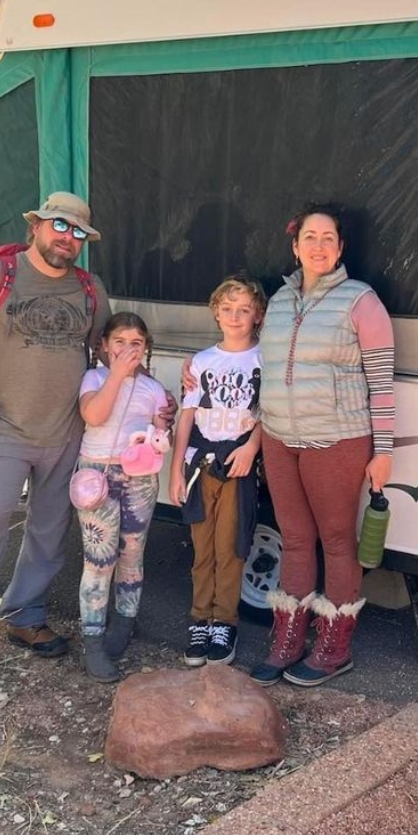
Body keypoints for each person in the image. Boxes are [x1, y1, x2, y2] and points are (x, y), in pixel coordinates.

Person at [0, 192, 113, 689]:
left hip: (67, 434)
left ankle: (24, 616)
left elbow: (109, 355)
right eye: (58, 226)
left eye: (77, 233)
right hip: (6, 431)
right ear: (36, 226)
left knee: (49, 535)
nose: (66, 238)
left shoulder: (91, 289)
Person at [249, 203, 395, 687]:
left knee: (335, 541)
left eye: (327, 238)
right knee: (293, 539)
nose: (318, 246)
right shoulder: (279, 300)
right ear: (295, 247)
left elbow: (382, 382)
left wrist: (385, 450)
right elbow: (260, 364)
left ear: (340, 248)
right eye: (309, 237)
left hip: (337, 439)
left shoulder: (361, 302)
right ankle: (288, 640)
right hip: (279, 437)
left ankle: (334, 646)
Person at [169, 276, 266, 668]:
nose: (235, 316)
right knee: (202, 546)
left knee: (232, 546)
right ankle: (200, 620)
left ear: (257, 315)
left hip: (238, 464)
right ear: (215, 312)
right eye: (227, 309)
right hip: (200, 463)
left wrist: (252, 447)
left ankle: (225, 621)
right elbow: (187, 418)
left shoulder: (264, 359)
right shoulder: (202, 361)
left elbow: (269, 411)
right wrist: (175, 471)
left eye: (244, 310)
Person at [75, 312, 173, 682]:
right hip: (97, 474)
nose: (128, 350)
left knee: (132, 553)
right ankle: (93, 640)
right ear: (103, 345)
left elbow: (160, 436)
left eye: (136, 343)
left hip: (139, 478)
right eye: (120, 342)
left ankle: (125, 622)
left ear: (146, 347)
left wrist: (165, 423)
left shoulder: (154, 390)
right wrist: (116, 374)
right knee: (99, 559)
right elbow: (95, 415)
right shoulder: (94, 378)